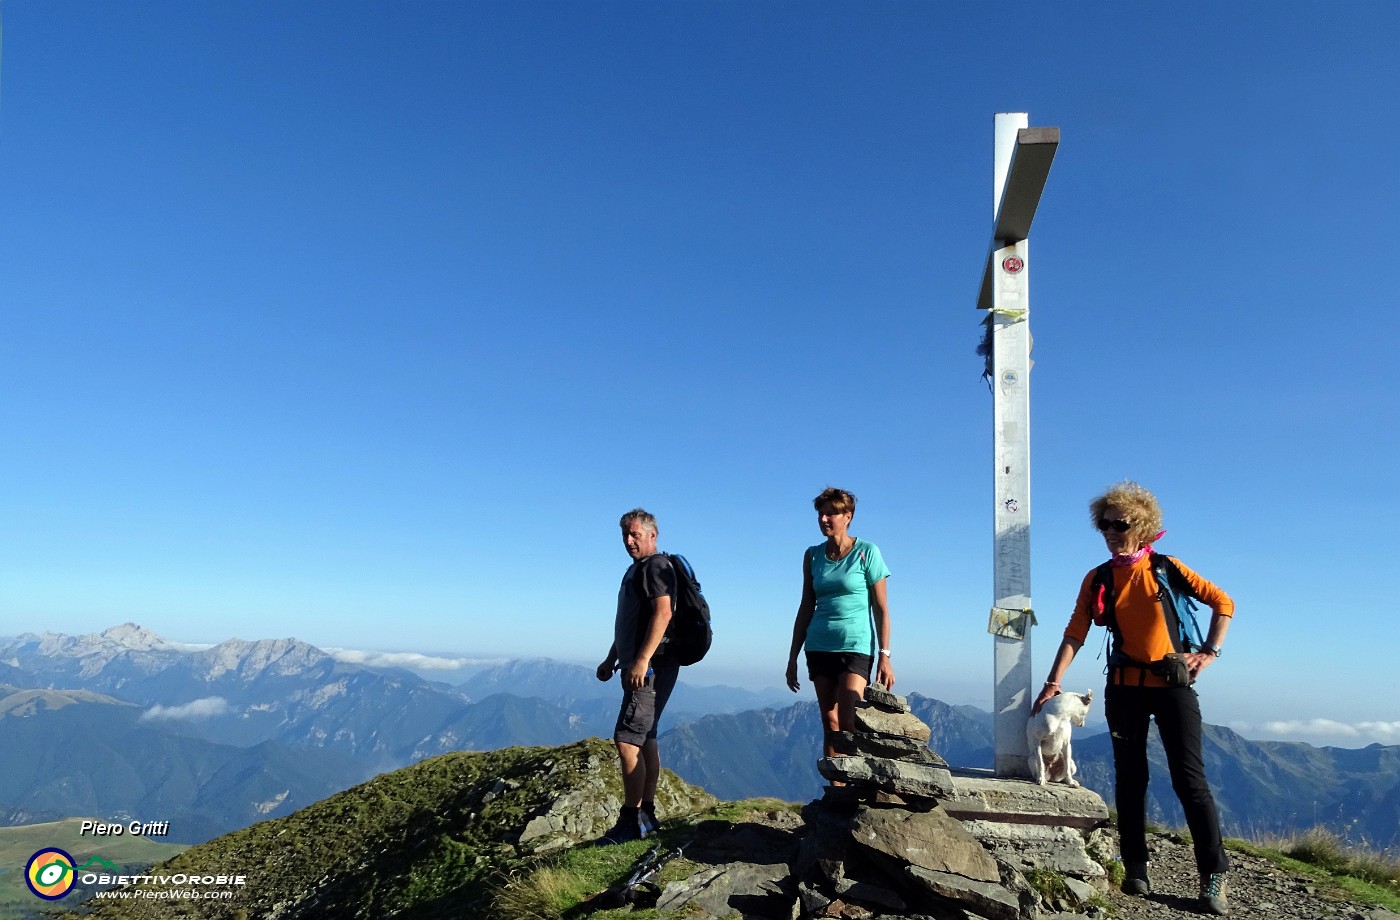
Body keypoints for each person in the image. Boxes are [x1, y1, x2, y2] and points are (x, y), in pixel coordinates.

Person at [1033, 481, 1234, 915]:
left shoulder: (1166, 567)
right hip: (1123, 688)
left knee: (1189, 780)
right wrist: (1053, 681)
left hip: (1173, 688)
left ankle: (1212, 875)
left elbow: (1223, 602)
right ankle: (1136, 868)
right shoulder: (1100, 577)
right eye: (1103, 524)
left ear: (1141, 527)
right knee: (1130, 778)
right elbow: (1076, 631)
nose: (1108, 531)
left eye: (1118, 524)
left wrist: (1207, 654)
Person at [785, 487, 894, 764]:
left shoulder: (867, 552)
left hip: (856, 645)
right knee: (829, 721)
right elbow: (806, 606)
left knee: (849, 718)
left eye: (831, 513)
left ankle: (861, 785)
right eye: (821, 513)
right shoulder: (812, 556)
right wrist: (792, 657)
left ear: (848, 517)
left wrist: (885, 655)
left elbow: (881, 608)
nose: (824, 519)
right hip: (819, 644)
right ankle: (838, 794)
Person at [595, 508, 680, 845]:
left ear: (652, 535)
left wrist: (642, 660)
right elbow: (633, 623)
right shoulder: (638, 570)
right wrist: (611, 658)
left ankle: (631, 821)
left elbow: (664, 612)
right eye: (625, 535)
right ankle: (646, 812)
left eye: (635, 534)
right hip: (645, 664)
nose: (629, 541)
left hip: (651, 668)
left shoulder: (656, 566)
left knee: (627, 739)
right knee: (647, 738)